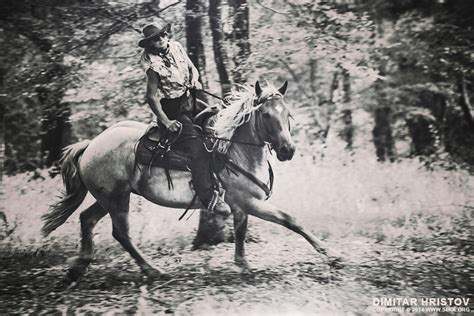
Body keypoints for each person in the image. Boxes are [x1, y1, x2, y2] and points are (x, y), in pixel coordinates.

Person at [139, 23, 231, 216]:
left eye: (163, 35)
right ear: (150, 44)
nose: (161, 39)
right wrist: (166, 122)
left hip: (190, 99)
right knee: (197, 148)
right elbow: (151, 97)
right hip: (172, 109)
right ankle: (207, 197)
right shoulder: (152, 64)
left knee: (218, 127)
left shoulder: (177, 46)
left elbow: (192, 68)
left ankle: (226, 179)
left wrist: (195, 79)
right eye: (156, 38)